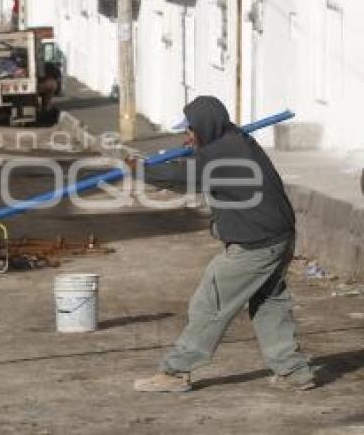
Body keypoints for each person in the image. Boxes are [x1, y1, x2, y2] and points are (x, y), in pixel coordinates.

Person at [129, 96, 316, 392]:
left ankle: (175, 372)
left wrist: (139, 169)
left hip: (256, 245)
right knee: (268, 303)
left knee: (210, 303)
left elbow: (183, 175)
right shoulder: (235, 141)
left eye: (190, 131)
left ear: (204, 128)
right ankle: (293, 371)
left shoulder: (222, 154)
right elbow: (197, 164)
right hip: (278, 238)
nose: (187, 138)